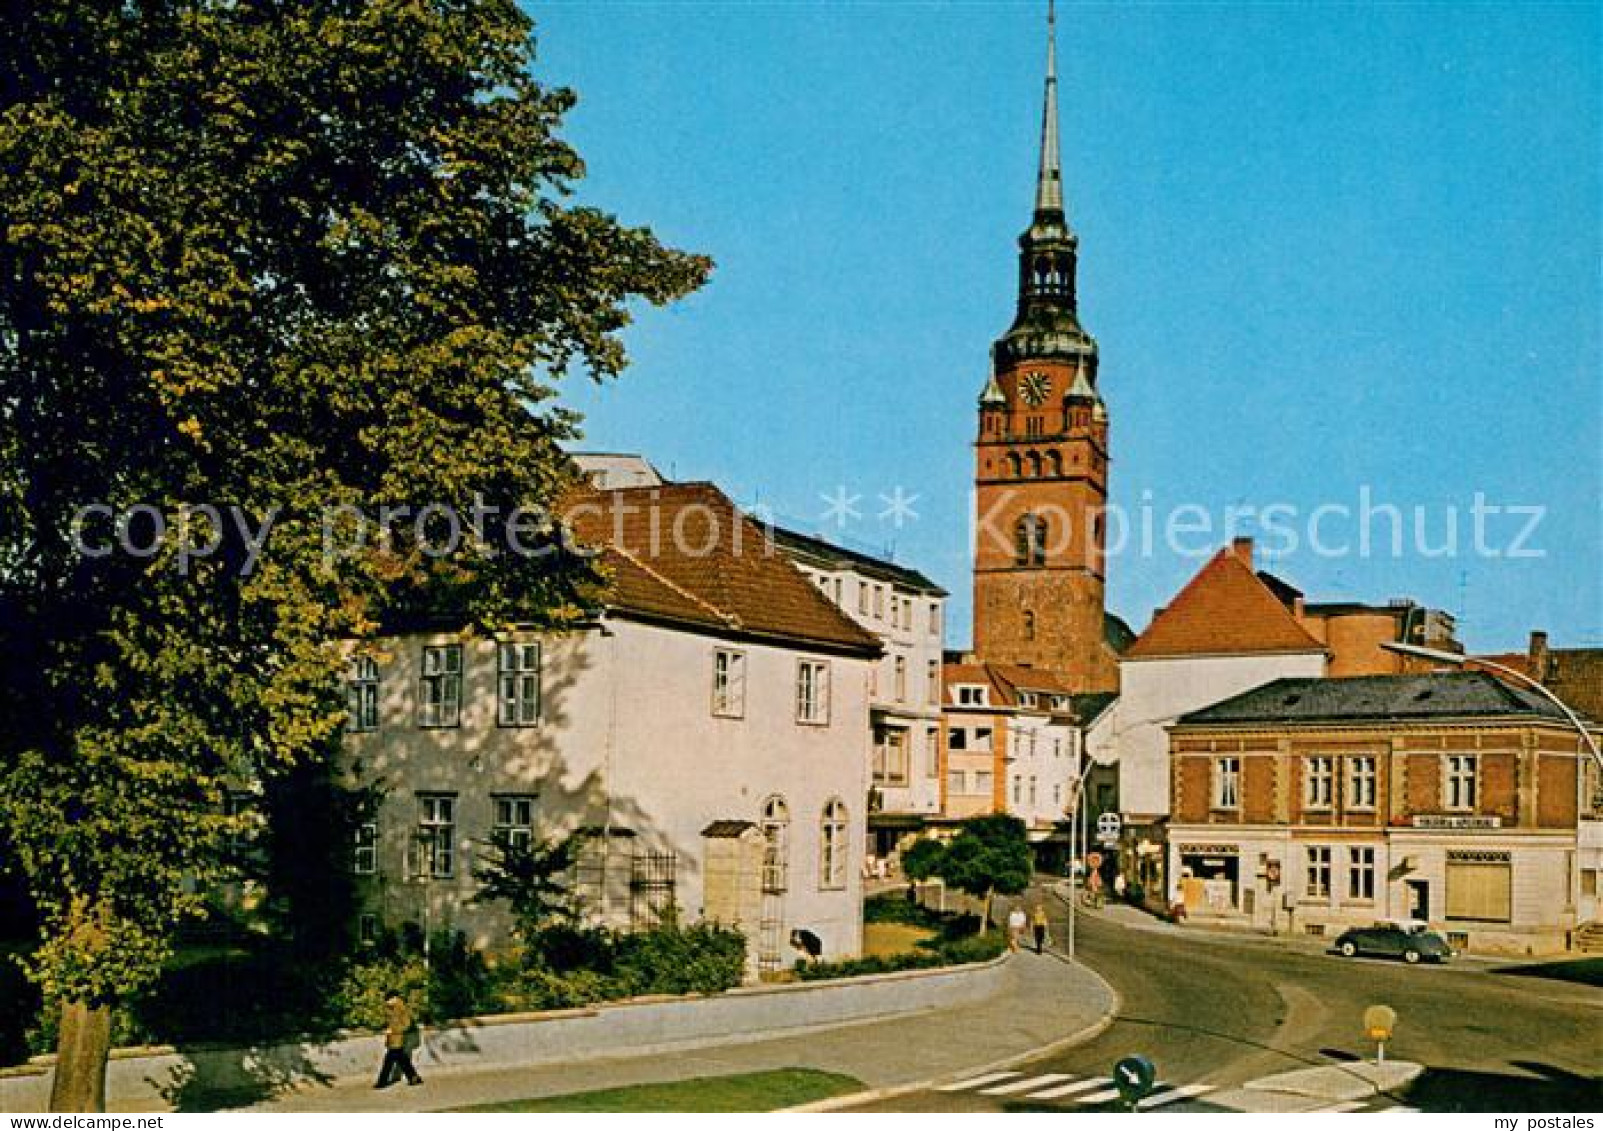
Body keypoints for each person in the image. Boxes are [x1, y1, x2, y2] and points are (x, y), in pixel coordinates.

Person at [374, 990, 423, 1089]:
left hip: (398, 1039)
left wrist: (393, 1030)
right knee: (402, 1060)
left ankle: (382, 1082)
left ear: (394, 998)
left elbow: (406, 1025)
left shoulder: (402, 1009)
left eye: (388, 1000)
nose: (386, 1002)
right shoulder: (393, 1008)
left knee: (388, 1061)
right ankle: (414, 1078)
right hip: (394, 1040)